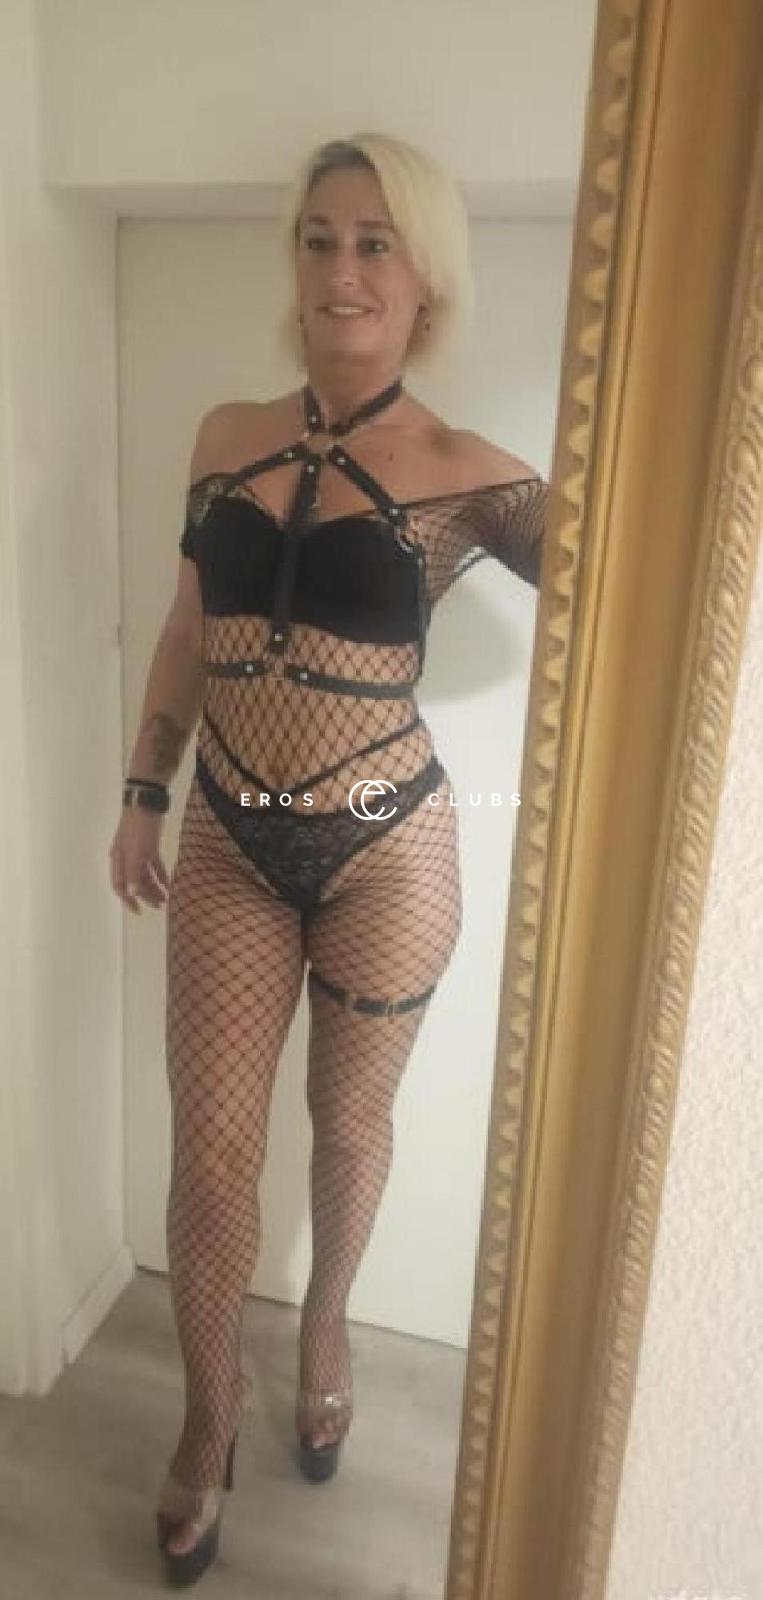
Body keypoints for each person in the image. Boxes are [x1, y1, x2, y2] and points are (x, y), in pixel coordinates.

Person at [109, 129, 548, 1586]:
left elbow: (639, 580)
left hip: (386, 841)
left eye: (374, 244)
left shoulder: (476, 478)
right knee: (212, 1152)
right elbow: (188, 627)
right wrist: (142, 790)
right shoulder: (223, 434)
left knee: (352, 1131)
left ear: (427, 281)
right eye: (319, 239)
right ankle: (205, 1423)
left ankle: (330, 1326)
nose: (341, 270)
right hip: (231, 834)